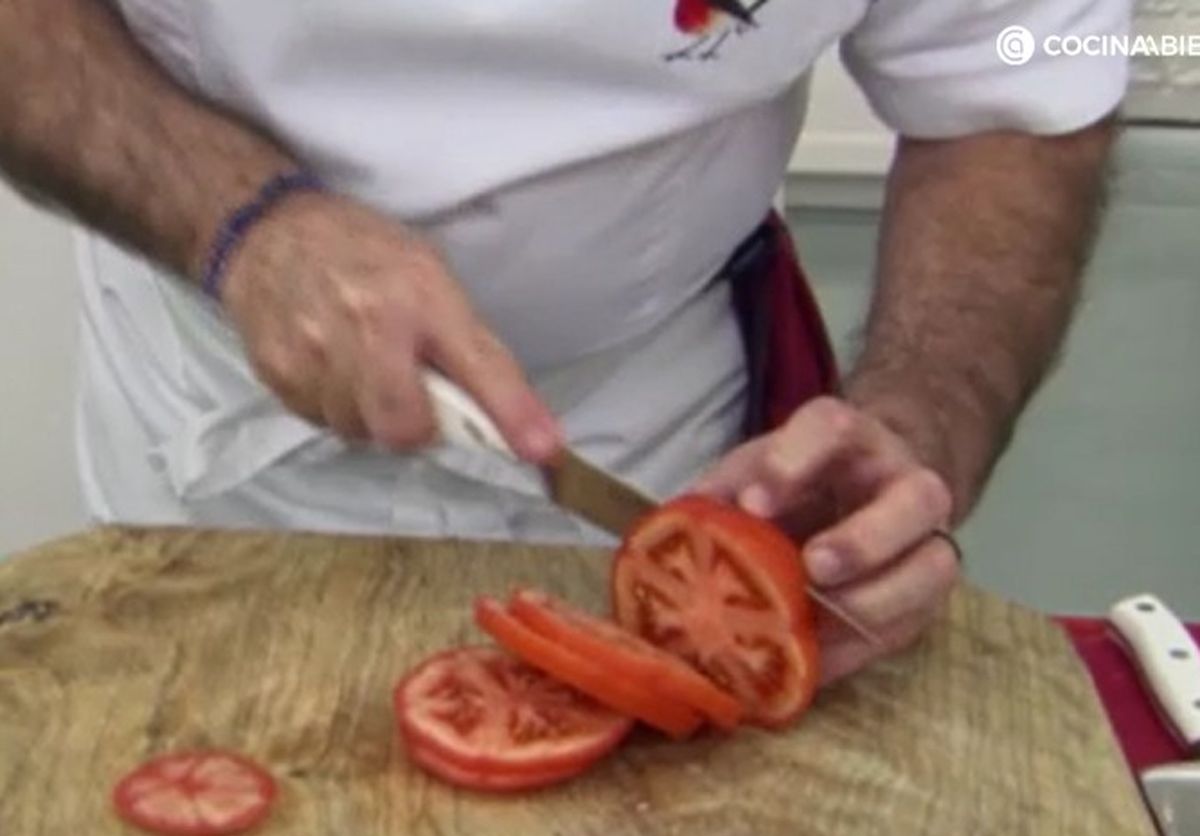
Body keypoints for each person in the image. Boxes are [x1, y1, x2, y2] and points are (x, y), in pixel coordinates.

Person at [0, 0, 1130, 682]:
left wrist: (919, 418)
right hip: (224, 425)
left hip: (666, 435)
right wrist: (237, 220)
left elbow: (1015, 72)